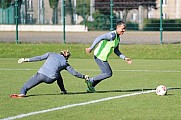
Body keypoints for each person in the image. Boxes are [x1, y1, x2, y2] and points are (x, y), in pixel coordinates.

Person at [10, 50, 89, 98]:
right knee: (58, 75)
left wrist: (26, 59)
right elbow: (74, 73)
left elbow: (39, 58)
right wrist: (84, 76)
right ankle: (63, 90)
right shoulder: (65, 63)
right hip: (50, 79)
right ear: (67, 57)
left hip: (41, 75)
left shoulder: (51, 54)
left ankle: (22, 93)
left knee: (25, 87)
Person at [85, 20, 132, 93]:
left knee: (104, 73)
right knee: (108, 73)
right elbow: (99, 37)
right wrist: (91, 47)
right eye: (123, 29)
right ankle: (90, 81)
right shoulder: (112, 35)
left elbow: (116, 51)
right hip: (99, 56)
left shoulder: (117, 38)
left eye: (124, 29)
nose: (124, 30)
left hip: (103, 57)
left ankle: (91, 87)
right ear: (118, 27)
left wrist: (125, 58)